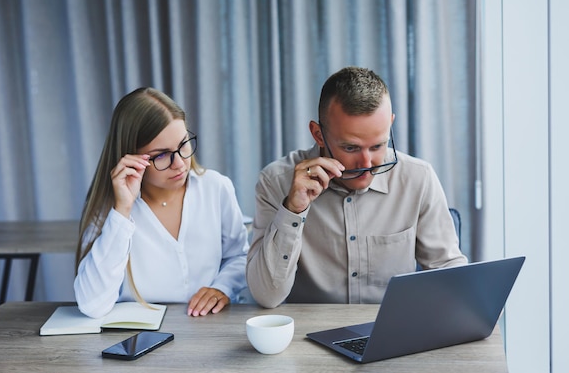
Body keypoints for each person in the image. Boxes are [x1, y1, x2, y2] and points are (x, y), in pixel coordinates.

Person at [246, 66, 468, 308]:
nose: (367, 164)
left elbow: (449, 272)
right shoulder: (275, 182)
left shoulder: (418, 178)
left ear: (390, 125)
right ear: (318, 134)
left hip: (392, 334)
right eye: (351, 148)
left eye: (377, 146)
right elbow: (267, 296)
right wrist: (293, 210)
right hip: (307, 337)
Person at [74, 87, 249, 318]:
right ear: (130, 157)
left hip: (209, 331)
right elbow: (92, 305)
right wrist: (122, 210)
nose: (179, 164)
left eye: (183, 143)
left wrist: (222, 287)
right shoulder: (111, 209)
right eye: (161, 155)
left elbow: (239, 256)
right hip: (137, 339)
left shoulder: (216, 188)